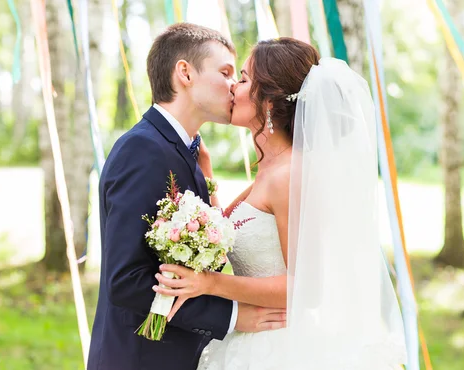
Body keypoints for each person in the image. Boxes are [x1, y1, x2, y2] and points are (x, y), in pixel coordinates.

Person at [153, 38, 408, 369]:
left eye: (243, 79)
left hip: (283, 348)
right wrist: (207, 174)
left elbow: (306, 287)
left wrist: (210, 284)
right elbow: (235, 232)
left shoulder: (291, 174)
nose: (232, 87)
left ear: (269, 101)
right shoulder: (271, 170)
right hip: (251, 340)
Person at [86, 23, 286, 370]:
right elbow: (126, 281)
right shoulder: (143, 150)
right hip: (138, 359)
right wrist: (233, 317)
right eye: (225, 72)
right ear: (185, 74)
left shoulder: (186, 153)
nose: (234, 87)